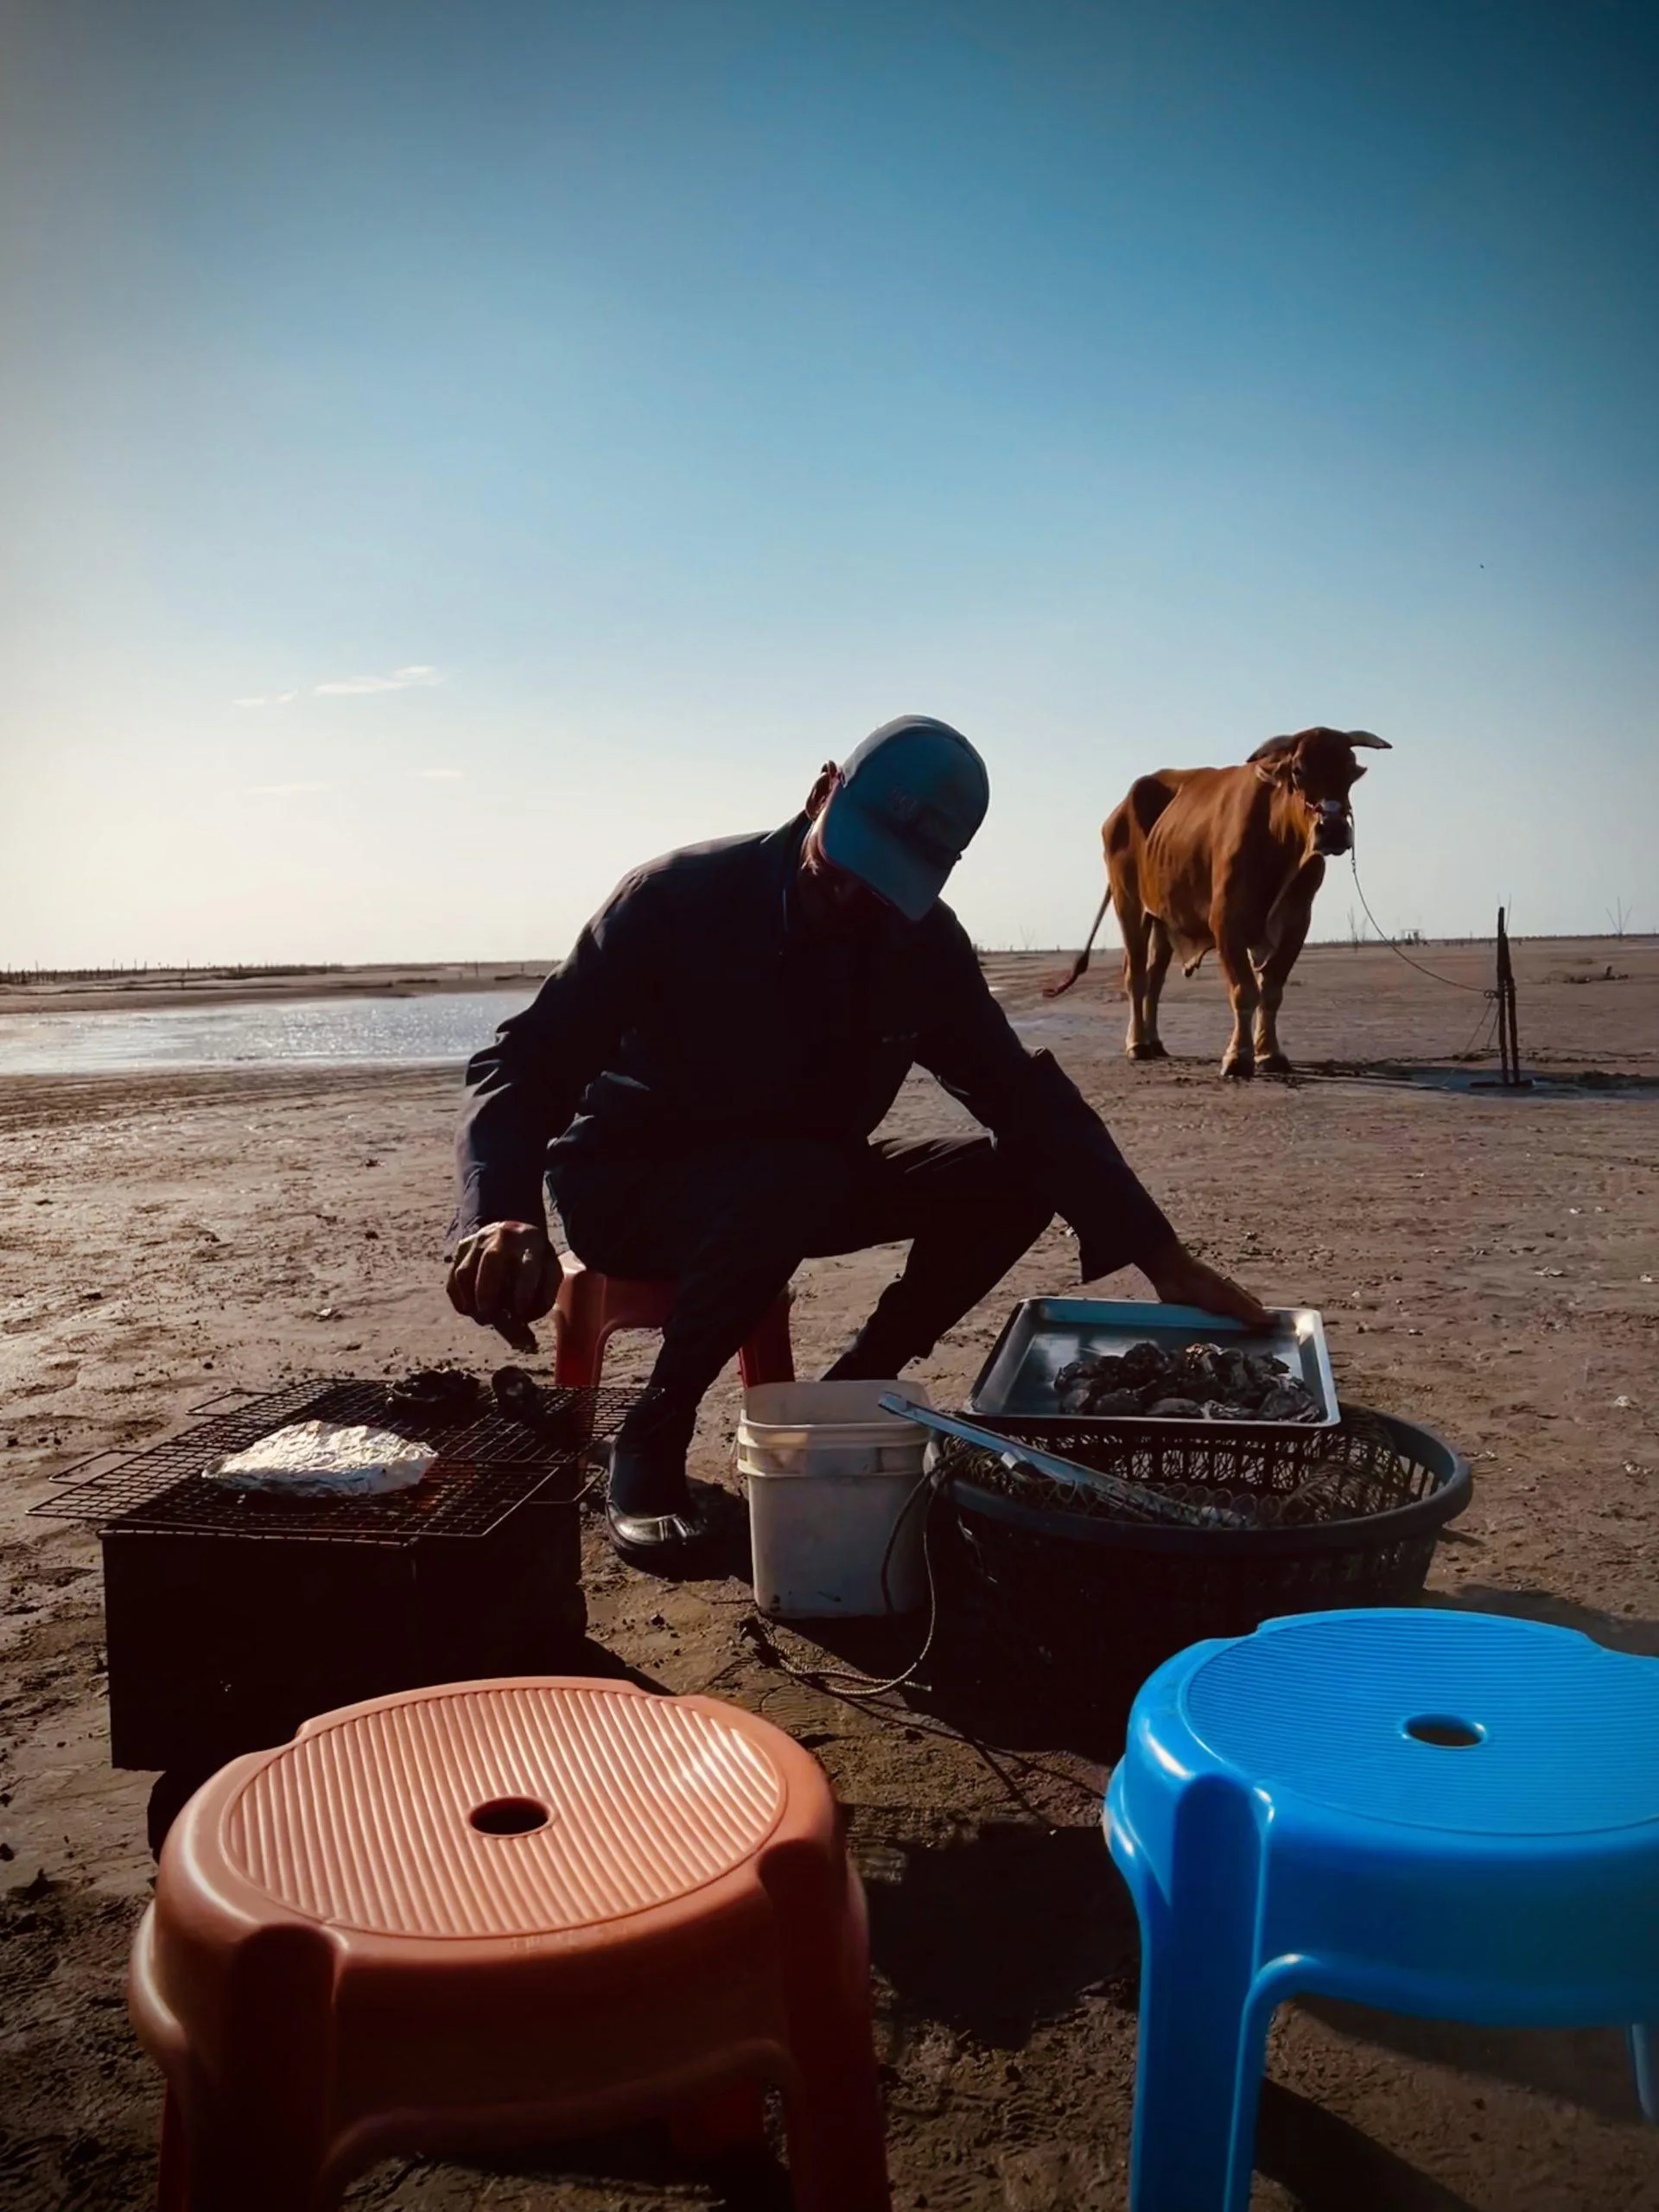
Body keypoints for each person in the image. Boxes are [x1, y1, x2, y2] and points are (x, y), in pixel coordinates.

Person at [448, 715, 1268, 1570]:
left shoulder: (921, 948)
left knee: (1023, 1170)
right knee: (788, 1172)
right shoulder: (673, 898)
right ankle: (652, 1433)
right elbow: (523, 1062)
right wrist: (500, 1210)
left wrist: (1163, 1257)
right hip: (629, 1184)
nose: (850, 903)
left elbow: (1025, 1101)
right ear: (822, 791)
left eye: (884, 890)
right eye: (842, 870)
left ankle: (856, 1388)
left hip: (803, 1183)